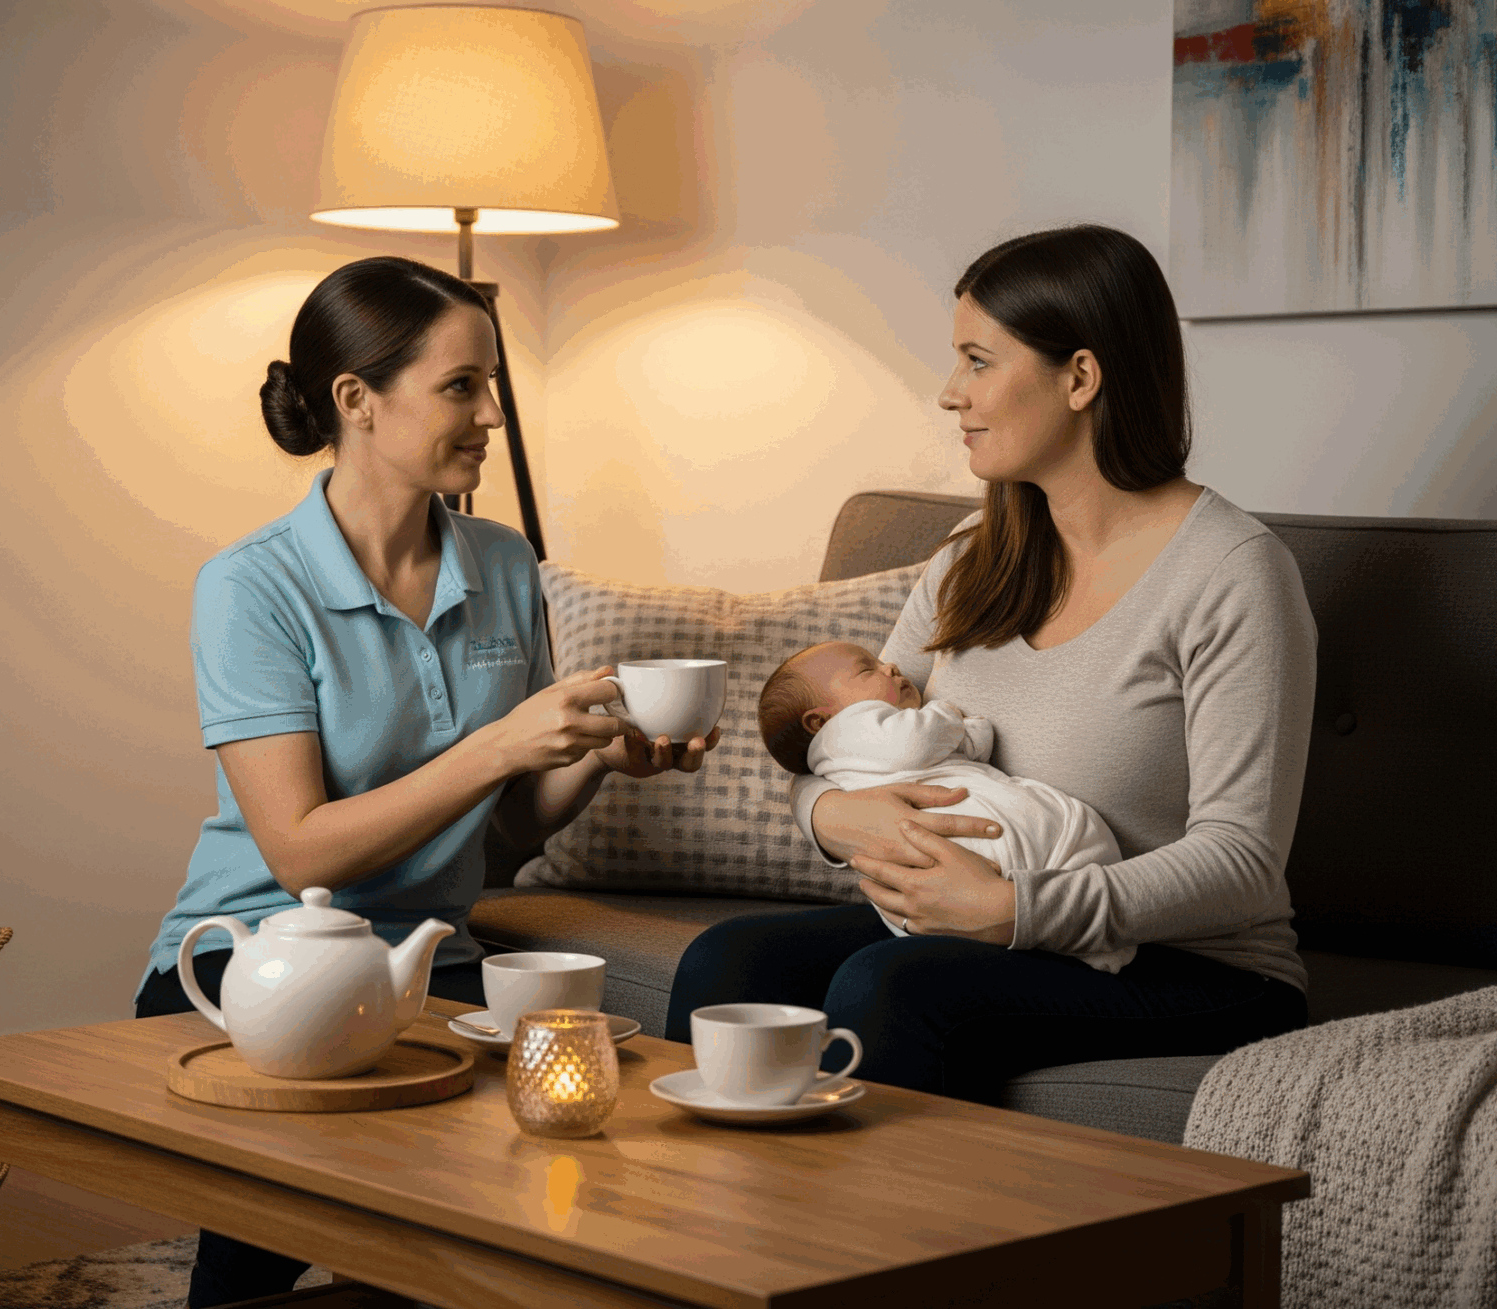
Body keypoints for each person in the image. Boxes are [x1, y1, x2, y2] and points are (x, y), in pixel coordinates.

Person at [135, 255, 717, 1308]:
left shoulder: (504, 562)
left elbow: (501, 840)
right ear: (356, 399)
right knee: (273, 1236)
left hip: (429, 958)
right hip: (256, 958)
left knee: (488, 1234)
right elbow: (300, 851)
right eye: (461, 386)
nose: (492, 413)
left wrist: (591, 755)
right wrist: (498, 747)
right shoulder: (251, 586)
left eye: (491, 385)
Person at [667, 224, 1317, 1107]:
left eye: (978, 361)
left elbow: (1242, 862)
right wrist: (833, 814)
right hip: (978, 926)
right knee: (727, 961)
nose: (950, 393)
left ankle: (873, 1209)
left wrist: (1013, 909)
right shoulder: (974, 555)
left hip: (1194, 965)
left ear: (1080, 378)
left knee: (891, 987)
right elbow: (844, 748)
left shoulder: (1232, 573)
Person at [754, 640, 1124, 962]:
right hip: (978, 855)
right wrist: (950, 716)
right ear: (819, 723)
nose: (890, 665)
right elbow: (915, 740)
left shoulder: (848, 751)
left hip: (942, 893)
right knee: (1075, 832)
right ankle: (1091, 945)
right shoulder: (849, 729)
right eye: (868, 669)